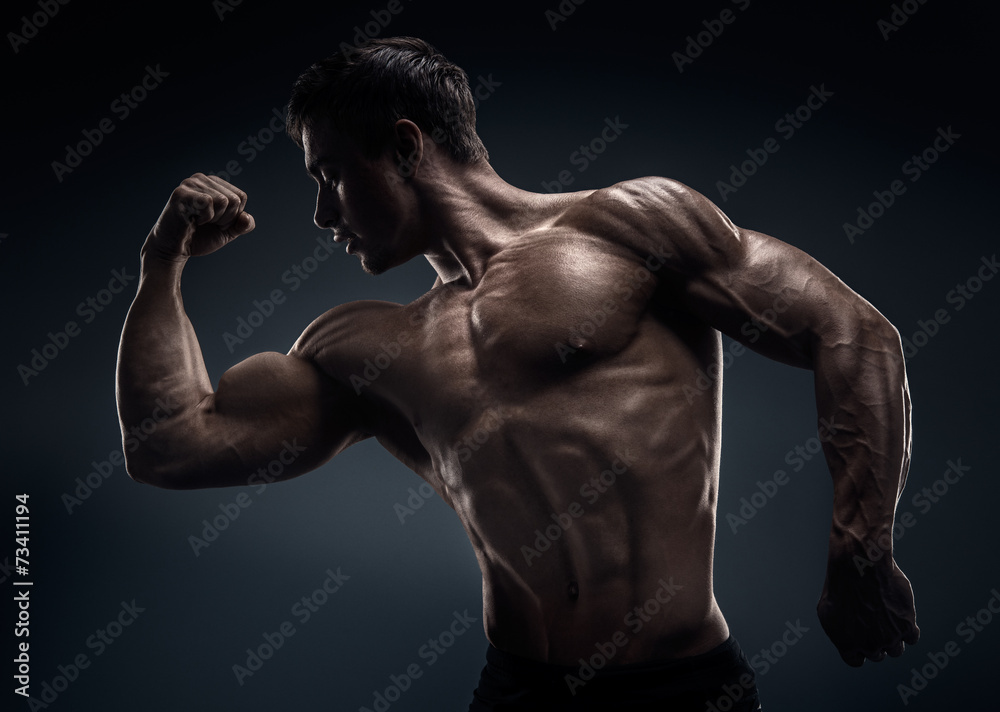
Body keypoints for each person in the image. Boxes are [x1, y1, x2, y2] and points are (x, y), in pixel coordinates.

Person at [116, 36, 919, 710]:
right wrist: (160, 264)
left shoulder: (626, 225)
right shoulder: (364, 348)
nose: (323, 214)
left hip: (681, 689)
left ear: (404, 146)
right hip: (515, 692)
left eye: (328, 175)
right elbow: (172, 446)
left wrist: (861, 551)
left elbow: (852, 333)